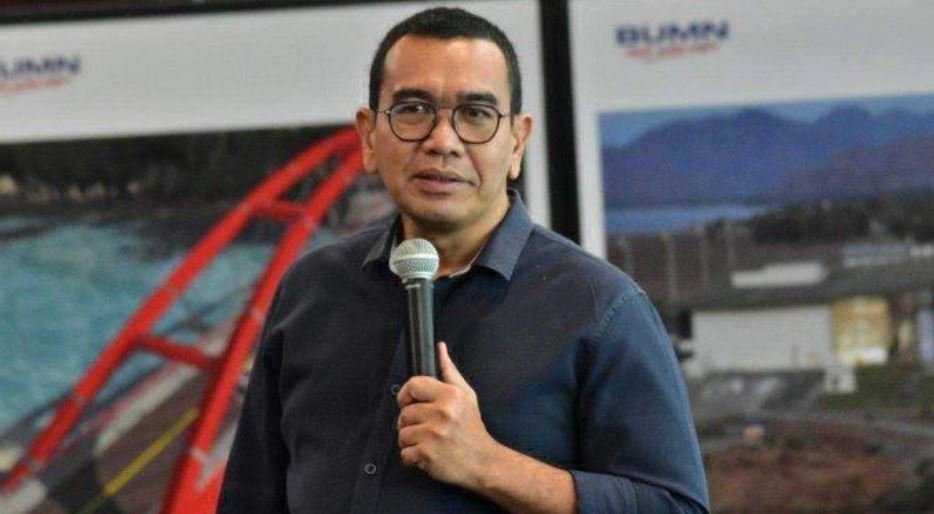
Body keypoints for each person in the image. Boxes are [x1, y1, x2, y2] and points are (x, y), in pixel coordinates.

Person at [217, 7, 709, 514]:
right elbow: (250, 498)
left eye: (475, 114)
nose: (442, 142)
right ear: (368, 136)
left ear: (516, 142)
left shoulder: (600, 308)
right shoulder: (312, 289)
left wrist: (488, 465)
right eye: (413, 109)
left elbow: (676, 507)